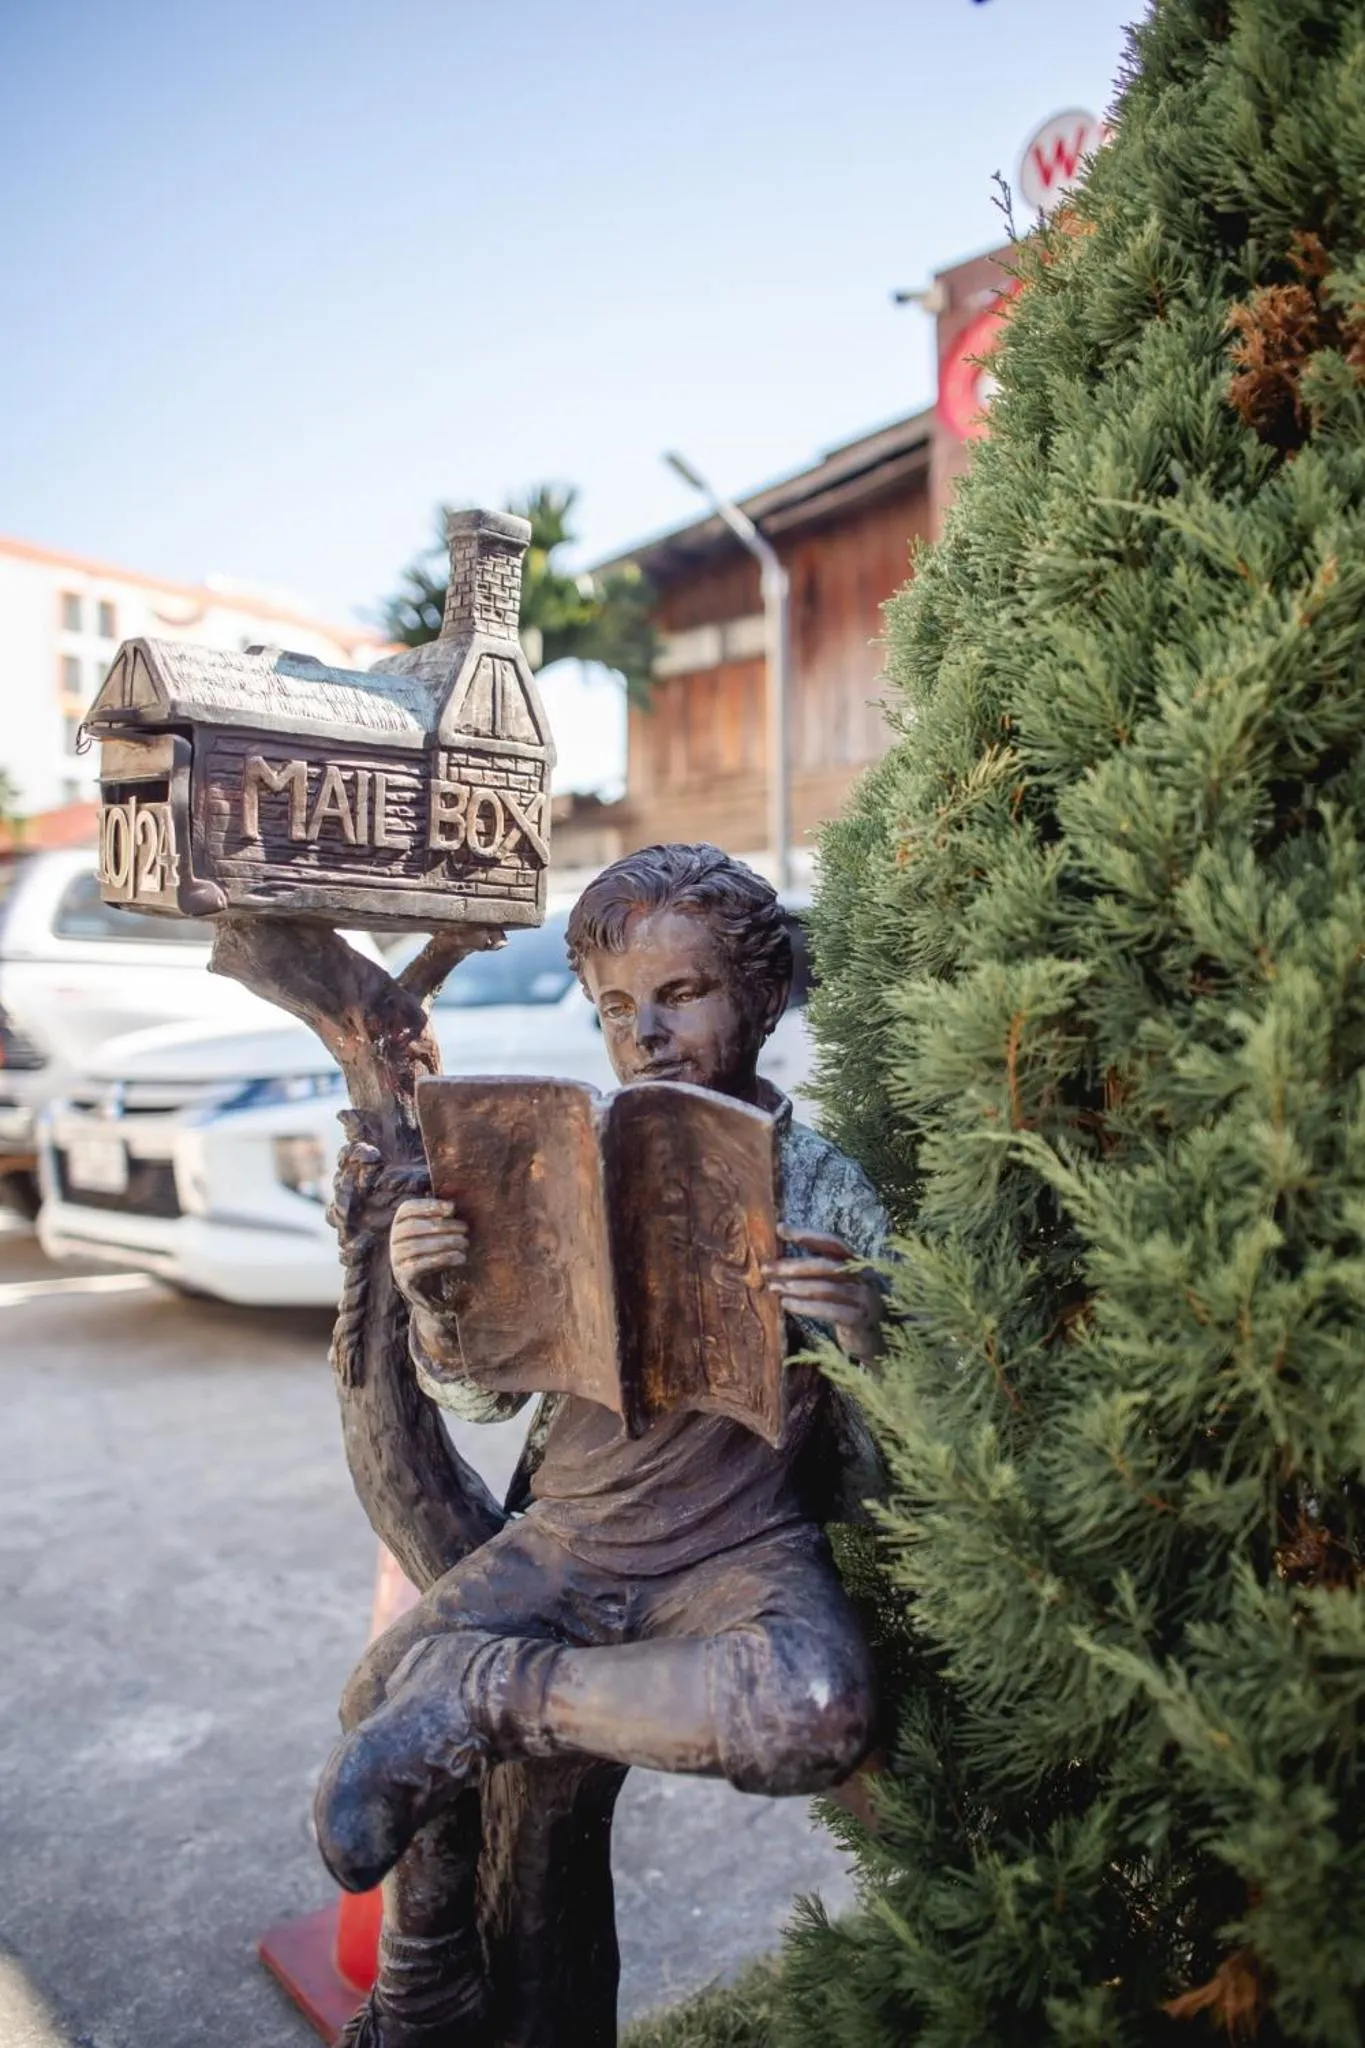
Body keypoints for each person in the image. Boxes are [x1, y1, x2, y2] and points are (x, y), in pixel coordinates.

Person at [319, 842, 889, 2045]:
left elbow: (889, 1475)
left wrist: (865, 1336)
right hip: (571, 1536)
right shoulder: (564, 1158)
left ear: (761, 997)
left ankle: (491, 1694)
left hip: (740, 1548)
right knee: (374, 1696)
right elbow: (481, 1401)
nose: (648, 1034)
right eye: (618, 1008)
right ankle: (422, 1979)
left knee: (815, 1706)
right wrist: (437, 1300)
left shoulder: (825, 1187)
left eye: (682, 994)